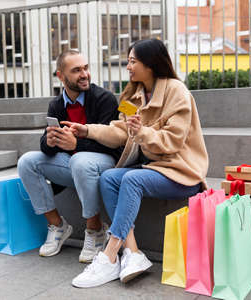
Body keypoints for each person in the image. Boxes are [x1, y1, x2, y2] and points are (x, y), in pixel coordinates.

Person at [63, 39, 209, 288]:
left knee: (131, 179)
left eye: (133, 61)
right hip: (153, 169)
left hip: (182, 172)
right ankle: (132, 252)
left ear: (150, 65)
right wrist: (86, 131)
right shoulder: (132, 94)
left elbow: (172, 141)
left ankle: (109, 255)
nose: (128, 66)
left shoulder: (177, 91)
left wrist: (142, 132)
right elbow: (120, 131)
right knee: (109, 177)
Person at [17, 50, 121, 263]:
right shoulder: (56, 105)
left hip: (105, 164)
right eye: (76, 70)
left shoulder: (105, 99)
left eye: (85, 68)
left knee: (79, 160)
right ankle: (57, 225)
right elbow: (46, 146)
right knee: (27, 161)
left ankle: (95, 230)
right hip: (73, 165)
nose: (84, 74)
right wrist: (50, 141)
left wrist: (78, 144)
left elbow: (114, 145)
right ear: (61, 76)